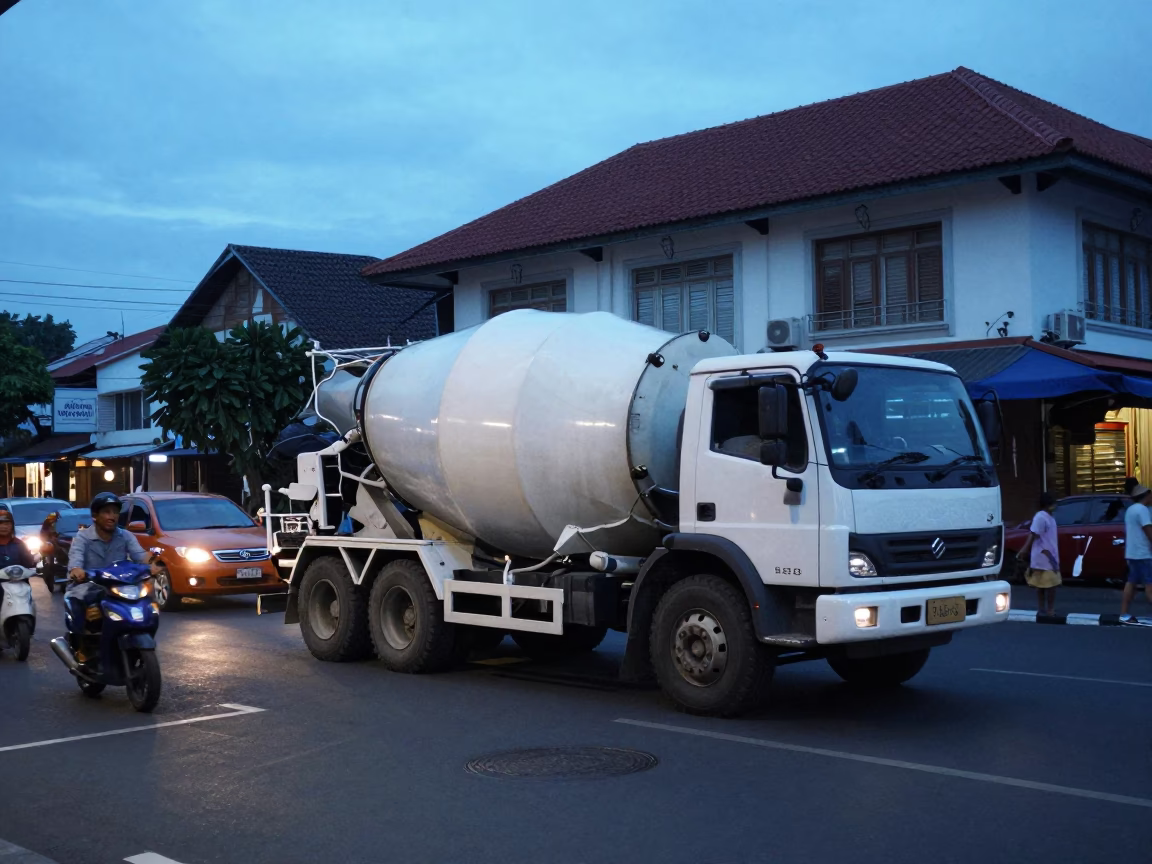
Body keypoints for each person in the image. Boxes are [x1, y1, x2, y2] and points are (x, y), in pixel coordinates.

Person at [66, 492, 159, 663]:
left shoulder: (125, 535)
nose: (112, 516)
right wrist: (77, 570)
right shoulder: (83, 537)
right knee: (86, 605)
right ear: (95, 516)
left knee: (148, 605)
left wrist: (153, 562)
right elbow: (76, 560)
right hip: (89, 584)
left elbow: (140, 555)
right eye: (107, 512)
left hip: (119, 585)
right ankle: (82, 646)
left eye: (115, 512)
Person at [1016, 492, 1060, 616]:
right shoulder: (1040, 517)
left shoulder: (1049, 517)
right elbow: (1033, 534)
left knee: (1050, 584)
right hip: (1043, 556)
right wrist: (1024, 550)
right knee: (1044, 584)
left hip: (1049, 555)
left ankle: (1047, 608)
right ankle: (1044, 608)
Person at [1120, 483, 1152, 624]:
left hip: (1132, 553)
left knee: (1131, 583)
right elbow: (1148, 531)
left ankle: (1124, 613)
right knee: (1150, 584)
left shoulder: (1131, 510)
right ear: (1146, 496)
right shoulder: (1143, 510)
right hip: (1144, 553)